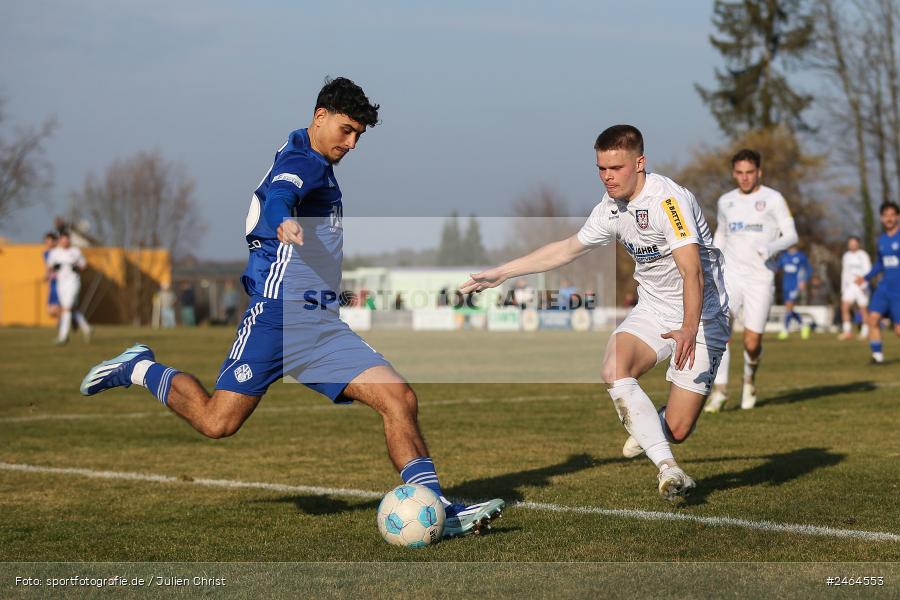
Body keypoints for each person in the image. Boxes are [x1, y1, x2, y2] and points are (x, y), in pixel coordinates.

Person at [80, 77, 503, 537]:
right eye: (346, 129)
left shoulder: (312, 155)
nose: (353, 142)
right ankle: (139, 368)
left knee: (398, 397)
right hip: (279, 316)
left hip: (320, 324)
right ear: (320, 115)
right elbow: (279, 194)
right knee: (217, 422)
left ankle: (439, 506)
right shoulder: (304, 162)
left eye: (359, 134)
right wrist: (283, 220)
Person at [462, 125, 729, 500]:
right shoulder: (610, 208)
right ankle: (669, 470)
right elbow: (566, 249)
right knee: (613, 368)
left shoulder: (668, 201)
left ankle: (655, 425)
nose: (607, 177)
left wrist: (687, 327)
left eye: (615, 168)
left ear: (639, 163)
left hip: (701, 316)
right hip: (653, 309)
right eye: (601, 169)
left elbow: (692, 270)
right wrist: (501, 272)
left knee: (681, 428)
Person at [705, 149, 798, 412]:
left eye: (749, 172)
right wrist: (712, 266)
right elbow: (721, 235)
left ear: (759, 172)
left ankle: (749, 380)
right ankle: (719, 391)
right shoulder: (726, 201)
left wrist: (772, 247)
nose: (744, 178)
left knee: (752, 342)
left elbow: (791, 235)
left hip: (760, 277)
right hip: (731, 276)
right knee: (719, 332)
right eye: (739, 173)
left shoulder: (773, 199)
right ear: (734, 173)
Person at [858, 202, 900, 364]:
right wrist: (866, 277)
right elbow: (880, 263)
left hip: (899, 290)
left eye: (892, 215)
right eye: (885, 215)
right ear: (882, 218)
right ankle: (877, 356)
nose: (889, 218)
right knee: (872, 320)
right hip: (884, 289)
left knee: (898, 331)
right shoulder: (881, 240)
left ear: (898, 217)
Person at [46, 230, 92, 344]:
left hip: (73, 282)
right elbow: (50, 267)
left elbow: (84, 265)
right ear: (60, 240)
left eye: (67, 239)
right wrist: (53, 270)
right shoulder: (55, 253)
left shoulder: (75, 251)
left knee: (66, 307)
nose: (65, 241)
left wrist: (77, 267)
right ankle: (87, 328)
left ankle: (63, 336)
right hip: (61, 283)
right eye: (63, 239)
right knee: (70, 308)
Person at [776, 245, 812, 340]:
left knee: (789, 305)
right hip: (786, 285)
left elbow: (808, 269)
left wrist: (803, 281)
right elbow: (776, 267)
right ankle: (803, 326)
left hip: (795, 285)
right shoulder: (783, 256)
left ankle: (785, 329)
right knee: (788, 308)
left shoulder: (801, 256)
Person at [840, 236, 871, 340]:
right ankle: (847, 331)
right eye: (850, 243)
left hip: (861, 285)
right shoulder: (846, 256)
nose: (852, 245)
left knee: (863, 309)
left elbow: (868, 270)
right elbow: (845, 272)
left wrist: (864, 284)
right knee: (844, 306)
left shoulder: (863, 255)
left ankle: (865, 332)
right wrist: (843, 287)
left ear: (858, 244)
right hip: (850, 286)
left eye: (854, 243)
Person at [42, 232, 61, 318]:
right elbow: (49, 268)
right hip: (52, 282)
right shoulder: (46, 254)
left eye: (49, 241)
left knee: (60, 307)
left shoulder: (60, 252)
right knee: (51, 310)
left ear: (55, 242)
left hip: (61, 282)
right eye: (46, 241)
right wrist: (47, 275)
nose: (47, 243)